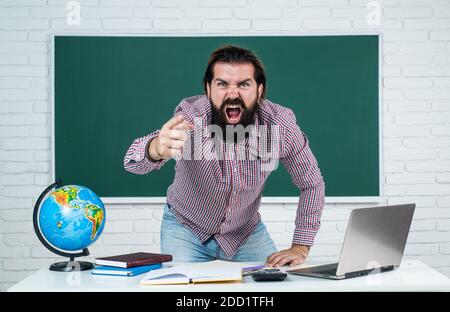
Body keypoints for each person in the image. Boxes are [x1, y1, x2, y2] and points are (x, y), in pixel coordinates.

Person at [124, 44, 325, 267]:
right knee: (182, 291)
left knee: (276, 283)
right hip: (186, 229)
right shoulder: (192, 117)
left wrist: (300, 246)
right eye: (222, 84)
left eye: (244, 84)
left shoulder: (279, 125)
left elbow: (312, 183)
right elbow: (131, 163)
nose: (232, 94)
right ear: (208, 89)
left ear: (259, 90)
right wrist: (153, 150)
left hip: (245, 233)